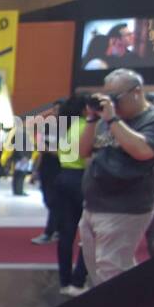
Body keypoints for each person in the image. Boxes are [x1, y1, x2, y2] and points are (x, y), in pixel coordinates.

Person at [78, 69, 154, 285]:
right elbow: (83, 151)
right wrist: (93, 119)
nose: (111, 103)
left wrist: (112, 119)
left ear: (136, 92)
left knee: (111, 272)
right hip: (94, 205)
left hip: (125, 207)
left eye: (115, 97)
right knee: (98, 268)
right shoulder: (107, 120)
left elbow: (142, 151)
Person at [54, 96, 89, 296]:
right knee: (88, 233)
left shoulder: (67, 127)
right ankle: (78, 281)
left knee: (66, 234)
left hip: (63, 177)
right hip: (82, 179)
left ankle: (64, 281)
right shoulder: (88, 126)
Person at [30, 105, 63, 244]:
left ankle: (51, 231)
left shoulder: (67, 129)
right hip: (46, 169)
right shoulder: (48, 128)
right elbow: (41, 152)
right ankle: (57, 229)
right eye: (54, 110)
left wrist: (48, 150)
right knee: (48, 200)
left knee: (53, 201)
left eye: (58, 110)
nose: (54, 113)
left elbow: (67, 153)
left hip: (59, 170)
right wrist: (35, 170)